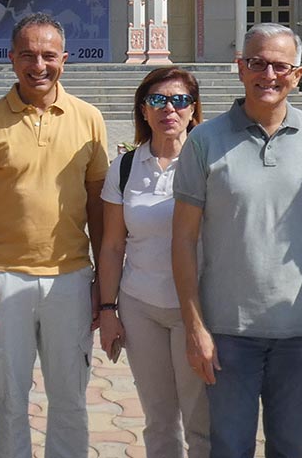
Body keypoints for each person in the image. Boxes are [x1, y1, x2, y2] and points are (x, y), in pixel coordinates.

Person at [171, 23, 302, 458]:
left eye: (280, 66)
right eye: (257, 63)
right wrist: (195, 326)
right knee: (229, 448)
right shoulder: (204, 141)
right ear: (240, 68)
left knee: (290, 448)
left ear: (297, 75)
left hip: (301, 329)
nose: (268, 74)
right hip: (229, 331)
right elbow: (184, 241)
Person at [0, 12, 110, 458]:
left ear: (65, 58)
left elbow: (99, 205)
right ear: (11, 60)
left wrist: (104, 280)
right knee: (7, 399)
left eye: (48, 55)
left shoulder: (89, 119)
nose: (38, 65)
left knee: (70, 399)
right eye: (27, 55)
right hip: (3, 279)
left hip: (71, 278)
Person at [97, 67, 209, 458]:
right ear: (143, 110)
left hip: (195, 310)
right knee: (159, 421)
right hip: (140, 306)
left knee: (202, 423)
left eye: (180, 101)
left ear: (193, 111)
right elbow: (112, 245)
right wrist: (107, 309)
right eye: (157, 100)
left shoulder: (208, 163)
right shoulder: (125, 167)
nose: (169, 109)